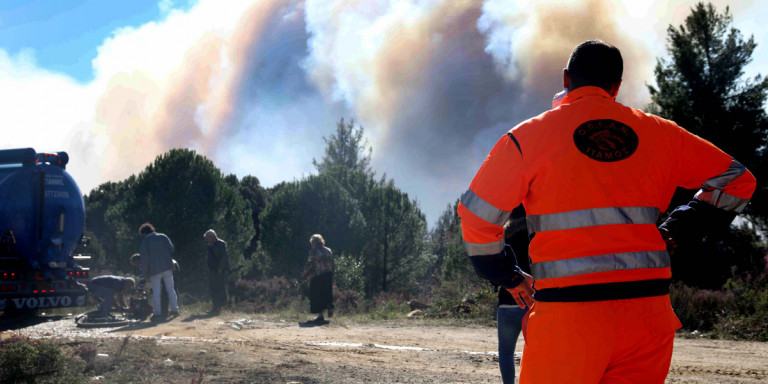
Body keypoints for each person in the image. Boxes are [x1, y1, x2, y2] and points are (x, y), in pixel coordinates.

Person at [457, 40, 756, 384]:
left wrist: (508, 275)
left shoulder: (528, 137)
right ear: (616, 86)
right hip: (646, 317)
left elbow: (476, 219)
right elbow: (738, 180)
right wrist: (678, 228)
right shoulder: (660, 133)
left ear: (566, 78)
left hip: (568, 319)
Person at [495, 206, 531, 383]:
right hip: (532, 301)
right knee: (534, 352)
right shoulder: (536, 231)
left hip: (507, 301)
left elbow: (495, 268)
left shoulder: (504, 235)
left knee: (506, 352)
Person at [138, 222, 180, 321]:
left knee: (156, 292)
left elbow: (144, 259)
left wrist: (145, 273)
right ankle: (175, 309)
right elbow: (171, 249)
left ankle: (157, 313)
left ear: (144, 233)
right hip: (167, 267)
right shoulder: (163, 236)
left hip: (154, 270)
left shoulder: (146, 241)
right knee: (171, 289)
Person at [300, 234, 334, 327]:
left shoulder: (314, 251)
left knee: (316, 295)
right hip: (328, 274)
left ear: (314, 242)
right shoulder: (328, 250)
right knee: (326, 294)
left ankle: (320, 315)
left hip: (318, 275)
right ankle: (329, 306)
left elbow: (310, 264)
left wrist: (305, 275)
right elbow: (332, 263)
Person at [203, 229, 230, 314]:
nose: (206, 240)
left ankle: (218, 308)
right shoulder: (210, 244)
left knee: (219, 288)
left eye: (207, 238)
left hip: (219, 270)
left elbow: (223, 257)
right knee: (213, 289)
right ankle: (215, 307)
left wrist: (220, 269)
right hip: (212, 270)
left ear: (212, 237)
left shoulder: (221, 244)